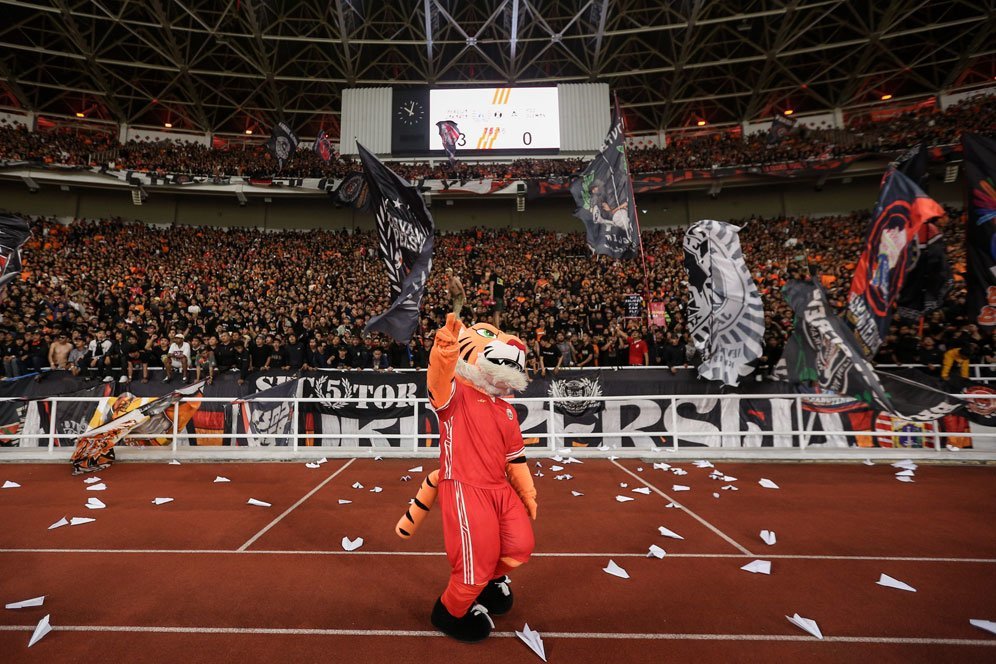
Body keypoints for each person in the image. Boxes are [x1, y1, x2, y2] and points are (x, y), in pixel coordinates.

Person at [396, 288, 534, 643]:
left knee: (519, 546)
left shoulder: (506, 407)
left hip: (499, 489)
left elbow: (514, 457)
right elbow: (439, 374)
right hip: (465, 488)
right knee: (474, 565)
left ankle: (487, 580)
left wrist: (526, 491)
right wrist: (446, 343)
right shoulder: (455, 392)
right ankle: (450, 612)